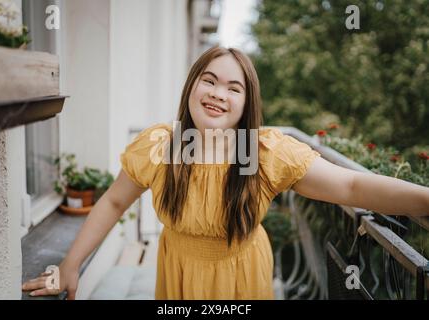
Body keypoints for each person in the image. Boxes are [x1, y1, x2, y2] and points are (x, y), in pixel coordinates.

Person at [22, 46, 429, 300]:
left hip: (242, 275)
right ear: (192, 89)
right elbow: (112, 201)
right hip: (177, 272)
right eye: (210, 80)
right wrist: (71, 265)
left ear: (246, 102)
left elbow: (353, 183)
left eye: (234, 88)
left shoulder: (265, 153)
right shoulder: (162, 145)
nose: (218, 93)